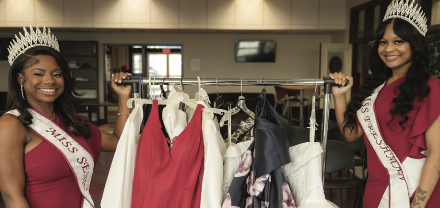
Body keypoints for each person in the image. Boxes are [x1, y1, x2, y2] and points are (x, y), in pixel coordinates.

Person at [0, 25, 132, 208]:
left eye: (57, 74)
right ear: (20, 79)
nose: (49, 80)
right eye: (38, 73)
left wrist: (123, 97)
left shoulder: (73, 122)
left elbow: (119, 142)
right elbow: (12, 197)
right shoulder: (11, 124)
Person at [330, 0, 440, 207]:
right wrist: (339, 96)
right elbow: (351, 134)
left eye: (398, 41)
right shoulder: (373, 88)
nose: (388, 48)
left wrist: (417, 205)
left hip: (419, 192)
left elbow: (437, 154)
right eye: (383, 42)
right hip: (377, 191)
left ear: (415, 45)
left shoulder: (432, 89)